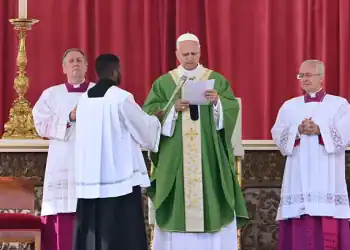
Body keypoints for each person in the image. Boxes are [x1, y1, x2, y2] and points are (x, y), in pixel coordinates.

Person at [143, 32, 248, 250]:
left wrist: (218, 102)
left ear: (200, 52)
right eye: (185, 54)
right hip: (175, 157)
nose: (190, 58)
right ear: (176, 54)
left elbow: (231, 108)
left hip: (208, 154)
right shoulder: (164, 83)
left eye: (193, 53)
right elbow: (148, 115)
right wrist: (172, 110)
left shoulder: (216, 80)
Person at [72, 54, 162, 250]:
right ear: (115, 71)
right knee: (122, 234)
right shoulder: (121, 98)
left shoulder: (83, 100)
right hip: (119, 180)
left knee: (91, 234)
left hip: (90, 178)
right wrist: (156, 120)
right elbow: (144, 131)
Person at [271, 59, 350, 250]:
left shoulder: (339, 104)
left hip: (327, 173)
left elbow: (345, 133)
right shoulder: (290, 106)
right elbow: (277, 133)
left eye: (308, 75)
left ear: (321, 77)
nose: (304, 79)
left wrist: (320, 130)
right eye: (301, 75)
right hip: (298, 173)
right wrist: (296, 130)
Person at [32, 48, 94, 250]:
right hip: (62, 159)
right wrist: (69, 118)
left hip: (91, 160)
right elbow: (40, 123)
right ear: (64, 68)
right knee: (63, 213)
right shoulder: (51, 94)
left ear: (86, 65)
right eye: (71, 61)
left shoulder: (98, 92)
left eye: (79, 60)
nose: (75, 64)